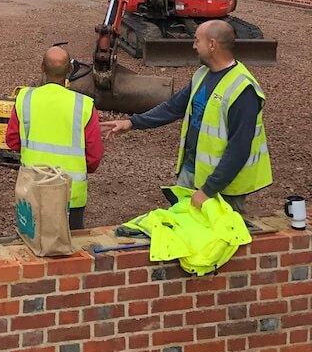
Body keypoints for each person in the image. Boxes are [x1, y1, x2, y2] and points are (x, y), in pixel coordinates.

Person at [101, 20, 272, 214]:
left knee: (219, 239)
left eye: (197, 41)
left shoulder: (243, 90)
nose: (193, 46)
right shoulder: (202, 75)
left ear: (212, 45)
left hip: (224, 189)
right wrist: (132, 123)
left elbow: (239, 148)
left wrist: (208, 190)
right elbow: (172, 108)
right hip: (192, 172)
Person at [6, 45, 104, 230]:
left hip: (33, 188)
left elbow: (12, 140)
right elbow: (94, 154)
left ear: (42, 67)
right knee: (69, 244)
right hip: (71, 194)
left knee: (32, 243)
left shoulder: (24, 99)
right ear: (69, 71)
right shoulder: (83, 105)